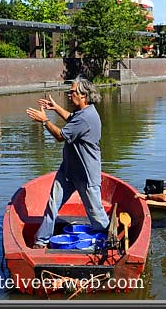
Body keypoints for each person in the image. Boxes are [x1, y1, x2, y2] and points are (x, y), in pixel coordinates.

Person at [26, 76, 109, 249]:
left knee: (96, 213)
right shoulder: (83, 113)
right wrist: (55, 108)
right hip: (69, 170)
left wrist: (45, 120)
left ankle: (108, 240)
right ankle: (41, 241)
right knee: (52, 205)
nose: (69, 94)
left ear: (84, 95)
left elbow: (59, 136)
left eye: (72, 92)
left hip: (86, 174)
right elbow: (71, 118)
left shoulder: (86, 117)